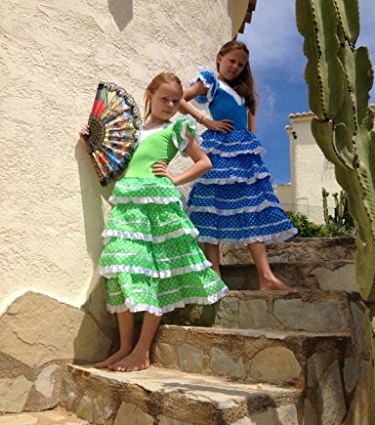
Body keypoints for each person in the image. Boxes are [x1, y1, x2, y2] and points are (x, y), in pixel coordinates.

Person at [80, 72, 227, 372]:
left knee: (155, 275)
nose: (171, 105)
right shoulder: (132, 133)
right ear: (149, 96)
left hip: (158, 204)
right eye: (164, 98)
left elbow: (205, 162)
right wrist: (89, 144)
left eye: (176, 100)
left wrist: (175, 177)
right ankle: (124, 348)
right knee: (121, 271)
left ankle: (142, 352)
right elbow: (115, 164)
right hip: (128, 205)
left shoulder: (177, 130)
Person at [179, 41, 298, 289]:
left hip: (244, 154)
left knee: (252, 208)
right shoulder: (210, 80)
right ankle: (215, 276)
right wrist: (205, 120)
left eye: (240, 64)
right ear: (219, 57)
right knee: (212, 207)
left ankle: (266, 277)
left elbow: (246, 124)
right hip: (219, 149)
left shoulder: (242, 93)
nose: (235, 66)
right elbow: (179, 97)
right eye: (232, 60)